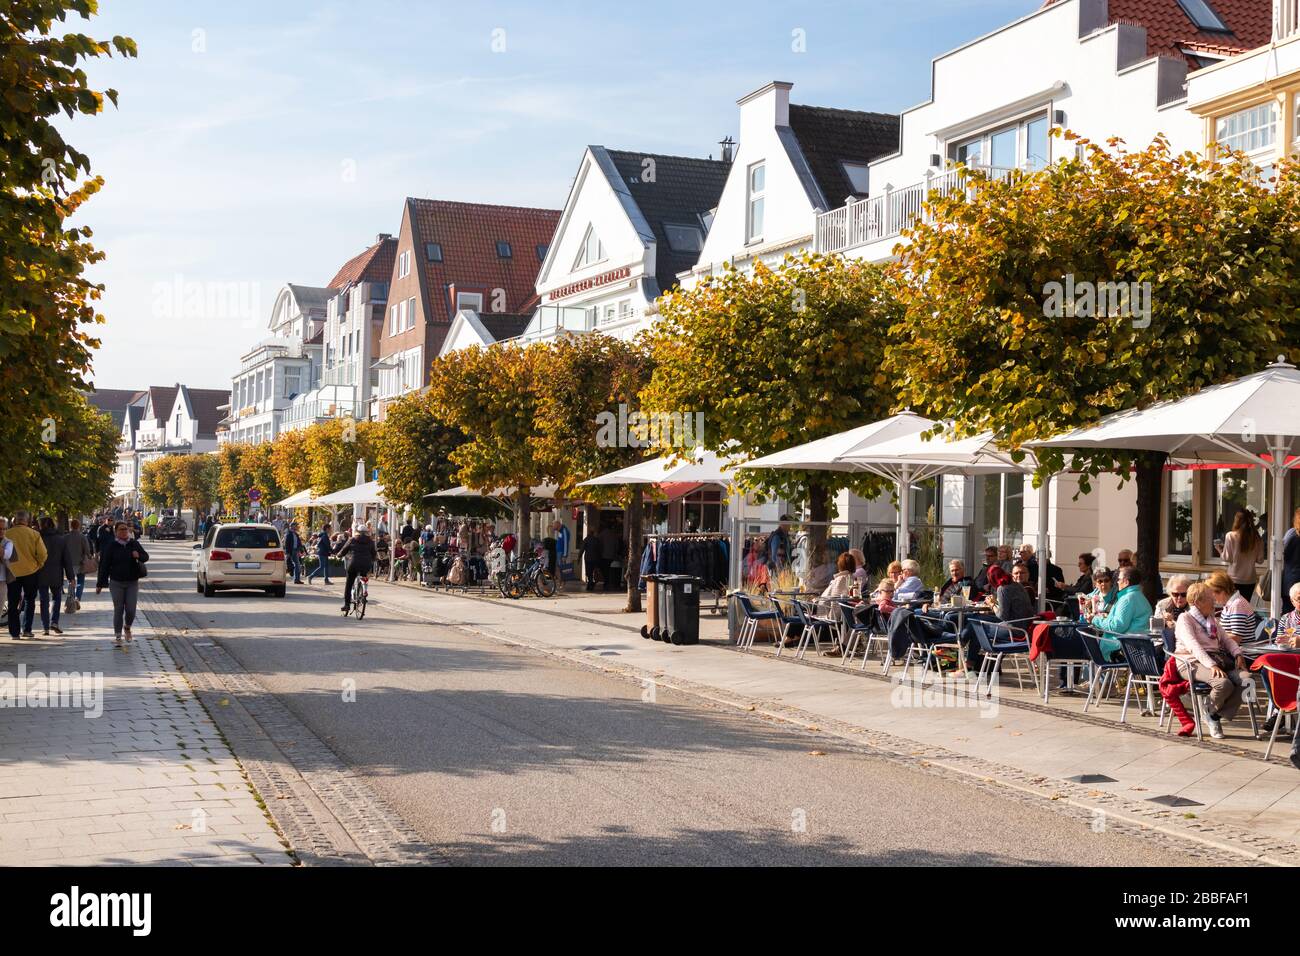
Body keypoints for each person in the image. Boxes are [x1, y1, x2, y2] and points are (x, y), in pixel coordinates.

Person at [1174, 580, 1250, 739]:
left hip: (1216, 659)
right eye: (1209, 598)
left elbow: (1227, 640)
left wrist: (1237, 654)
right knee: (1223, 683)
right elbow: (1193, 645)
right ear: (1197, 602)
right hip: (1191, 662)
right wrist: (1212, 665)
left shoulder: (1212, 620)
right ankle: (1211, 713)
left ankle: (1212, 713)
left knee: (1247, 680)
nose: (1214, 600)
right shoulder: (1185, 619)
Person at [95, 521, 149, 646]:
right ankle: (118, 636)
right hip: (116, 582)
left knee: (131, 609)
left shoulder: (134, 543)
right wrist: (100, 584)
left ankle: (127, 627)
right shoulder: (111, 546)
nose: (124, 531)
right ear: (116, 532)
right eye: (121, 529)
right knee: (118, 609)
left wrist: (138, 555)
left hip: (132, 582)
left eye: (125, 529)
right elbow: (104, 566)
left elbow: (146, 557)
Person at [1090, 565, 1154, 659]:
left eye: (1119, 579)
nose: (1117, 581)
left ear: (1126, 582)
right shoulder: (1137, 595)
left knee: (1090, 648)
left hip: (1124, 647)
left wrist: (1095, 619)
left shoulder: (1127, 598)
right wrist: (1106, 618)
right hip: (1136, 645)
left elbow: (1117, 626)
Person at [5, 511, 47, 640]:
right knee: (30, 600)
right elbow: (42, 553)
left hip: (12, 572)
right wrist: (38, 565)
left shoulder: (7, 534)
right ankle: (27, 629)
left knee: (12, 602)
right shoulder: (34, 534)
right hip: (30, 571)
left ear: (14, 521)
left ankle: (14, 632)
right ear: (27, 521)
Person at [35, 517, 75, 636]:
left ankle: (45, 627)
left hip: (41, 573)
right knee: (56, 598)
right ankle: (54, 622)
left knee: (43, 600)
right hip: (56, 574)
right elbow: (67, 560)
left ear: (42, 525)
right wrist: (71, 577)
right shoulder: (60, 539)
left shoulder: (37, 538)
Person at [1220, 509, 1265, 602]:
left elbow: (1226, 558)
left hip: (1234, 579)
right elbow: (1260, 560)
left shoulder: (1231, 536)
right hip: (1250, 579)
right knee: (1245, 607)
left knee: (1232, 606)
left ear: (1236, 521)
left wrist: (1220, 550)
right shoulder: (1257, 538)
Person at [1208, 570, 1258, 646]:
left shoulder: (1237, 605)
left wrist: (1211, 635)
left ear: (1222, 591)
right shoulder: (1230, 604)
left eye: (1212, 594)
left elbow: (1236, 638)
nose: (1211, 597)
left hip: (1242, 654)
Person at [337, 523, 377, 614]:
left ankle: (347, 605)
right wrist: (373, 559)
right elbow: (374, 554)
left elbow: (344, 550)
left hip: (354, 564)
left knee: (349, 584)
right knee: (364, 578)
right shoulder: (370, 541)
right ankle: (363, 593)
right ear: (366, 532)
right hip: (366, 565)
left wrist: (339, 555)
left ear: (357, 532)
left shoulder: (352, 540)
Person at [1155, 574, 1194, 638]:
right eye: (1175, 594)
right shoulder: (1162, 604)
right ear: (1170, 593)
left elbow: (1190, 632)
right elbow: (1156, 629)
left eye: (1184, 594)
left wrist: (1173, 622)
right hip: (1164, 642)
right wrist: (1163, 621)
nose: (1179, 598)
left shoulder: (1194, 607)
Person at [65, 518, 91, 610]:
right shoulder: (82, 537)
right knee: (80, 581)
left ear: (71, 526)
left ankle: (70, 598)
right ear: (79, 526)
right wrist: (89, 556)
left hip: (69, 563)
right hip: (80, 562)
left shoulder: (66, 537)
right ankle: (77, 598)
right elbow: (87, 550)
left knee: (70, 581)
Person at [580, 525, 600, 592]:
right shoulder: (596, 540)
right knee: (593, 571)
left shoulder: (586, 539)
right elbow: (599, 550)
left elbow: (582, 549)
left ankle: (590, 583)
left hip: (588, 558)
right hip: (595, 558)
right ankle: (591, 583)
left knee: (589, 572)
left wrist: (579, 557)